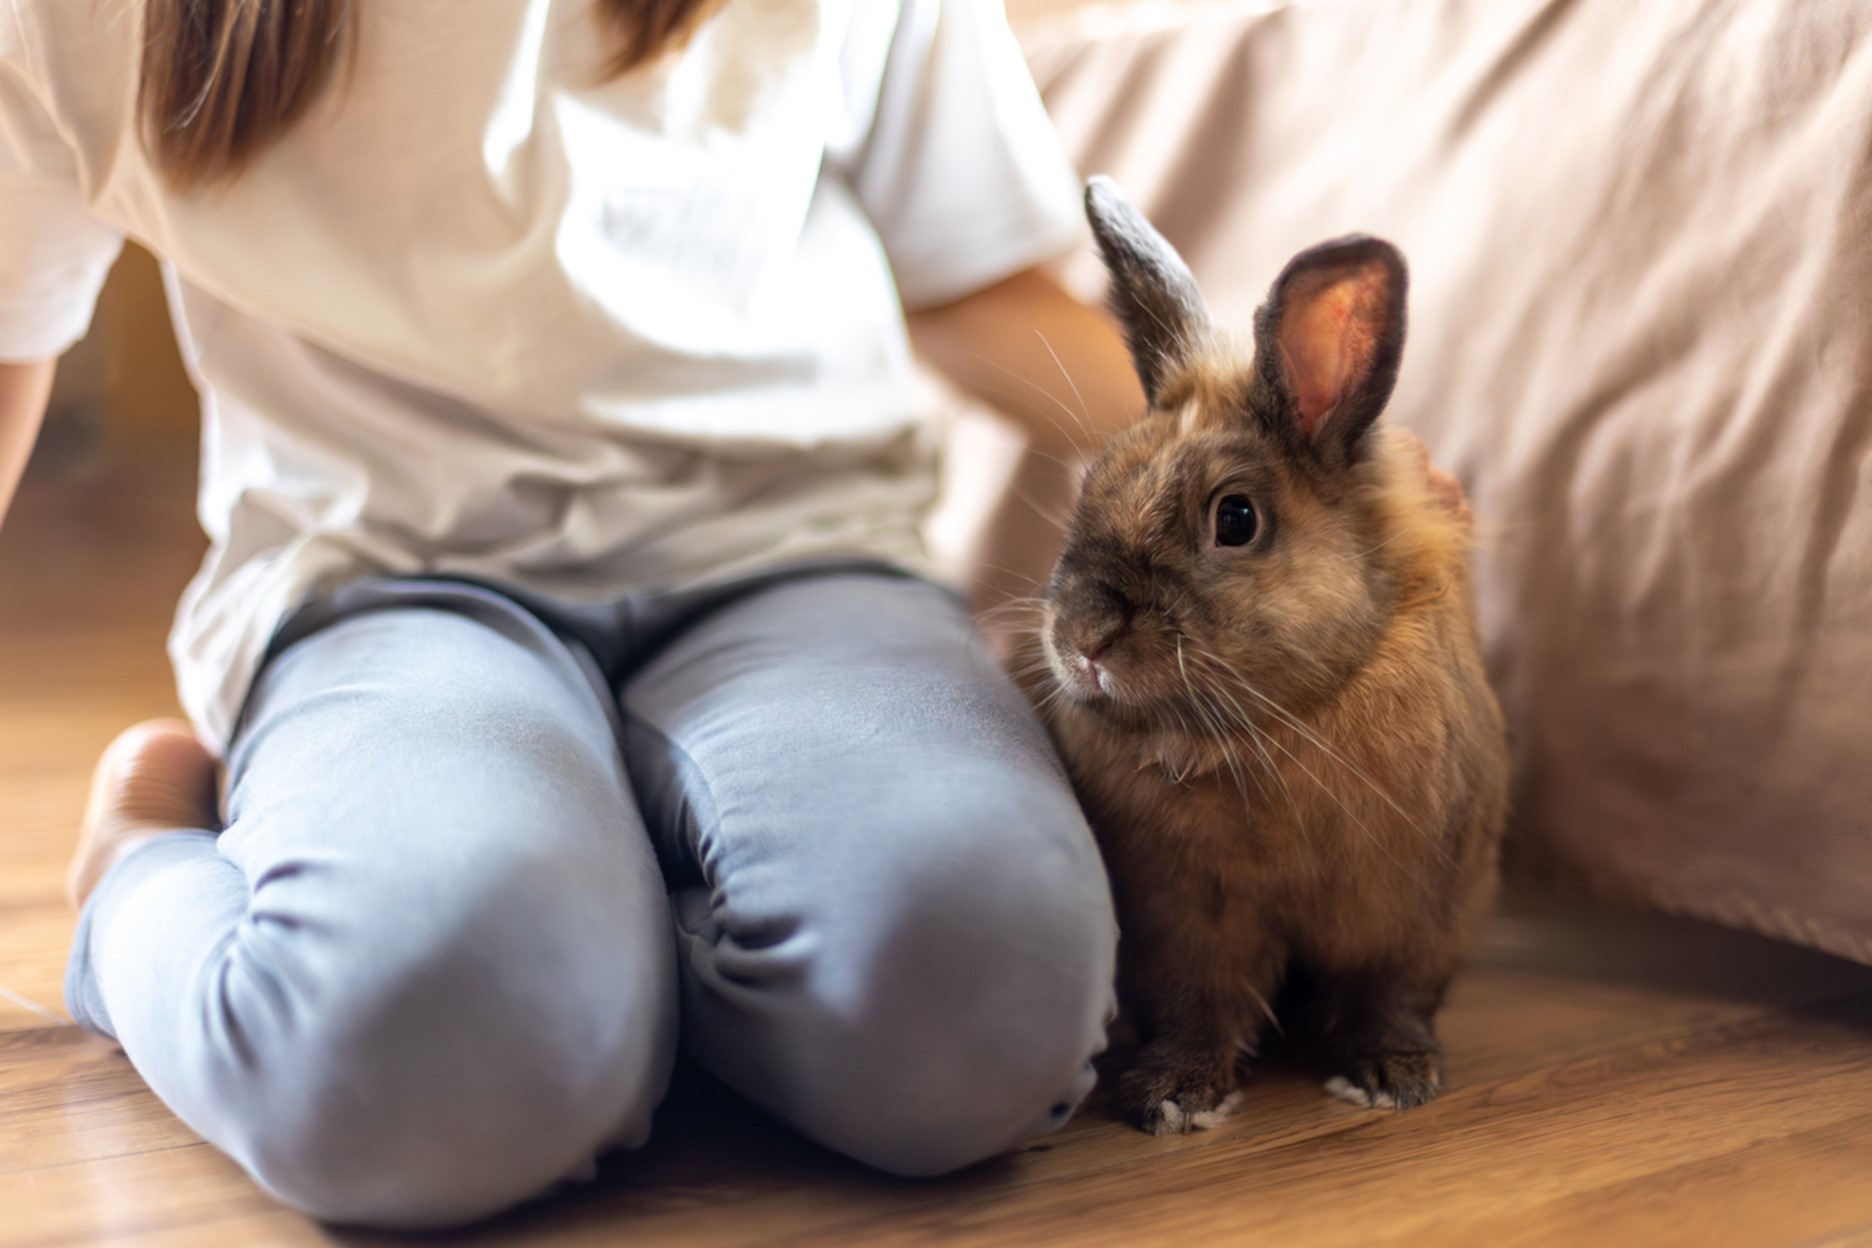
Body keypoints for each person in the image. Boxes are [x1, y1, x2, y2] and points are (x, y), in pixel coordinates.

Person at [1, 0, 1463, 1231]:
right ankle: (146, 873)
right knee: (410, 1062)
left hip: (795, 562)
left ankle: (593, 941)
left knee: (985, 1015)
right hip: (396, 582)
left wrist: (1285, 465)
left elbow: (968, 277)